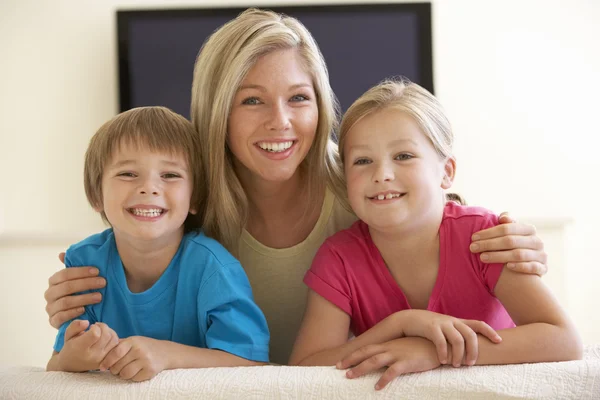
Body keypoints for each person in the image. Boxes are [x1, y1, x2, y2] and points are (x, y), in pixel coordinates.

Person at [44, 8, 549, 365]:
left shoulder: (365, 190)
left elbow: (441, 218)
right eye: (252, 101)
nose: (280, 122)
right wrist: (74, 302)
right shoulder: (184, 207)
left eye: (299, 98)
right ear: (218, 109)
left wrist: (514, 243)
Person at [288, 79, 582, 389]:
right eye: (362, 161)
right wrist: (399, 326)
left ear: (447, 172)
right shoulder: (338, 258)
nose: (382, 174)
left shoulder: (484, 238)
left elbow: (563, 338)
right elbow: (303, 368)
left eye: (403, 156)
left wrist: (436, 351)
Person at [46, 107, 270, 381]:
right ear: (96, 194)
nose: (149, 187)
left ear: (195, 198)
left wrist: (167, 356)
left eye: (170, 175)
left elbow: (252, 363)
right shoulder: (84, 263)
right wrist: (74, 358)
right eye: (128, 173)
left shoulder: (213, 268)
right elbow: (55, 367)